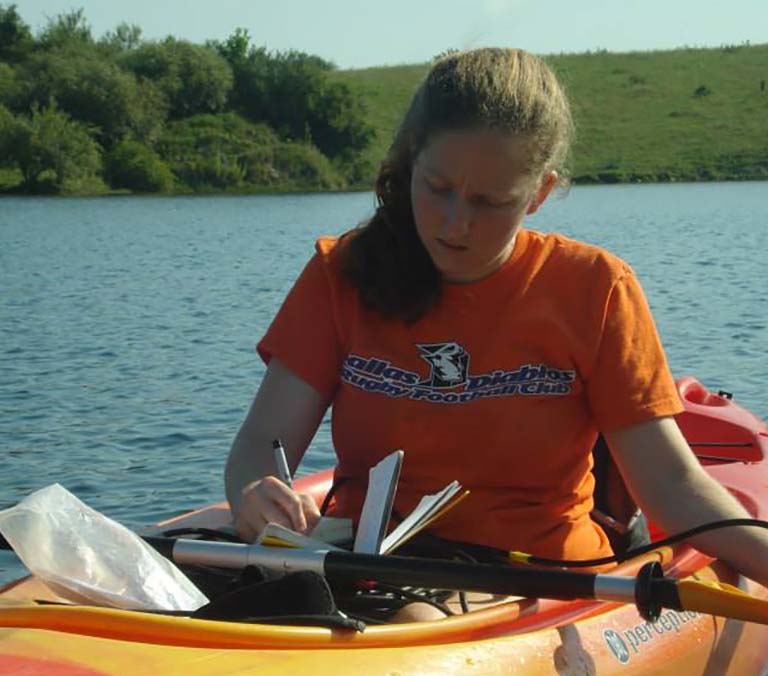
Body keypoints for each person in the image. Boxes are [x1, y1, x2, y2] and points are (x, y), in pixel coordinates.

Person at [225, 48, 768, 606]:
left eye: (490, 202)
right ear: (412, 163)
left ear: (539, 194)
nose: (455, 223)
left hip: (541, 584)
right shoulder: (340, 275)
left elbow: (675, 491)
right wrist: (253, 493)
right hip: (366, 569)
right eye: (436, 187)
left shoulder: (596, 288)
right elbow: (258, 449)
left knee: (413, 618)